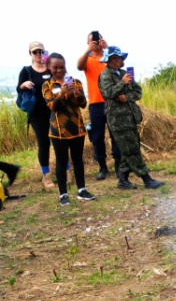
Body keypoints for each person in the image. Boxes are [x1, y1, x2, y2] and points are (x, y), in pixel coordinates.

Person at [98, 47, 164, 190]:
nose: (117, 61)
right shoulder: (105, 75)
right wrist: (122, 83)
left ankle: (123, 180)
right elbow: (108, 93)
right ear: (108, 60)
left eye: (119, 58)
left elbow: (138, 92)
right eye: (114, 58)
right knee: (131, 149)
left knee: (129, 147)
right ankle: (146, 179)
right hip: (117, 120)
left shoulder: (124, 73)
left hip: (130, 117)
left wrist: (126, 97)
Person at [41, 53, 95, 206]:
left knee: (78, 159)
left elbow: (83, 104)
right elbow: (52, 106)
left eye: (62, 67)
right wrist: (63, 94)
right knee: (61, 160)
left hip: (77, 128)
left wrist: (77, 95)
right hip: (58, 130)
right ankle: (63, 194)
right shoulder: (47, 85)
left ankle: (82, 190)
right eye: (55, 67)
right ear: (49, 67)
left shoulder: (76, 82)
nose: (59, 70)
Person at [77, 30, 121, 180]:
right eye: (92, 40)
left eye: (99, 38)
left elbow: (119, 65)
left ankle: (118, 166)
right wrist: (88, 50)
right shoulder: (87, 59)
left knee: (116, 133)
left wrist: (108, 48)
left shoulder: (108, 57)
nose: (96, 41)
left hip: (112, 101)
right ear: (88, 43)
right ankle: (102, 166)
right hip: (96, 103)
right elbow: (79, 66)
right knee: (97, 136)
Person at [16, 42, 55, 190]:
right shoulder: (26, 71)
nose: (38, 54)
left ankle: (65, 170)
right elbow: (19, 89)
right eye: (35, 52)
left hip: (54, 110)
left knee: (59, 141)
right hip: (37, 114)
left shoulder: (51, 68)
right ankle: (46, 176)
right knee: (44, 144)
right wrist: (23, 85)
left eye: (41, 51)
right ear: (30, 54)